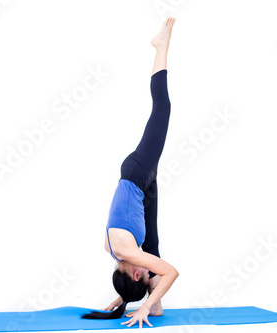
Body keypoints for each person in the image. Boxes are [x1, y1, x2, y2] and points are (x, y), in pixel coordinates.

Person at [82, 17, 178, 329]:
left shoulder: (126, 251)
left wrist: (144, 305)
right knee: (153, 249)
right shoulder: (118, 252)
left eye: (143, 275)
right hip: (144, 188)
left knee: (162, 108)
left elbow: (171, 271)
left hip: (137, 173)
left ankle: (160, 47)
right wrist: (125, 301)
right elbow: (145, 268)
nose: (148, 272)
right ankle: (150, 299)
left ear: (136, 271)